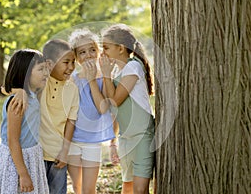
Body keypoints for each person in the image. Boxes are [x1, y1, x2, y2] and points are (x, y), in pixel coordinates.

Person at [9, 39, 79, 194]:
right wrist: (18, 91)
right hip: (36, 155)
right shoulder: (41, 83)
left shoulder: (73, 89)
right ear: (49, 64)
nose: (71, 67)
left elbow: (71, 122)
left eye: (73, 62)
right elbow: (7, 87)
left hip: (58, 154)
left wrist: (65, 151)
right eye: (66, 62)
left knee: (57, 191)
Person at [0, 49, 49, 194]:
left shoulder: (33, 95)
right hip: (15, 160)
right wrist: (23, 174)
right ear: (26, 73)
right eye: (41, 69)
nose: (46, 73)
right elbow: (13, 140)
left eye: (46, 68)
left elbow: (5, 88)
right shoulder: (17, 103)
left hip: (31, 155)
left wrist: (16, 90)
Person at [100, 24, 156, 194]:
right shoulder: (117, 70)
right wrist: (113, 142)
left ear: (121, 48)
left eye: (106, 48)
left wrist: (106, 75)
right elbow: (112, 106)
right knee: (128, 188)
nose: (103, 53)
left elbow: (116, 100)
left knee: (139, 190)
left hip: (141, 136)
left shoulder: (133, 67)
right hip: (126, 137)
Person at [67, 28, 116, 194]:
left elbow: (103, 108)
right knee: (77, 187)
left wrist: (91, 80)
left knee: (89, 189)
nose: (88, 55)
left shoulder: (105, 78)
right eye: (82, 52)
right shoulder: (72, 79)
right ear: (76, 57)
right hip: (72, 139)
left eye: (92, 50)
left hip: (92, 141)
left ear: (98, 51)